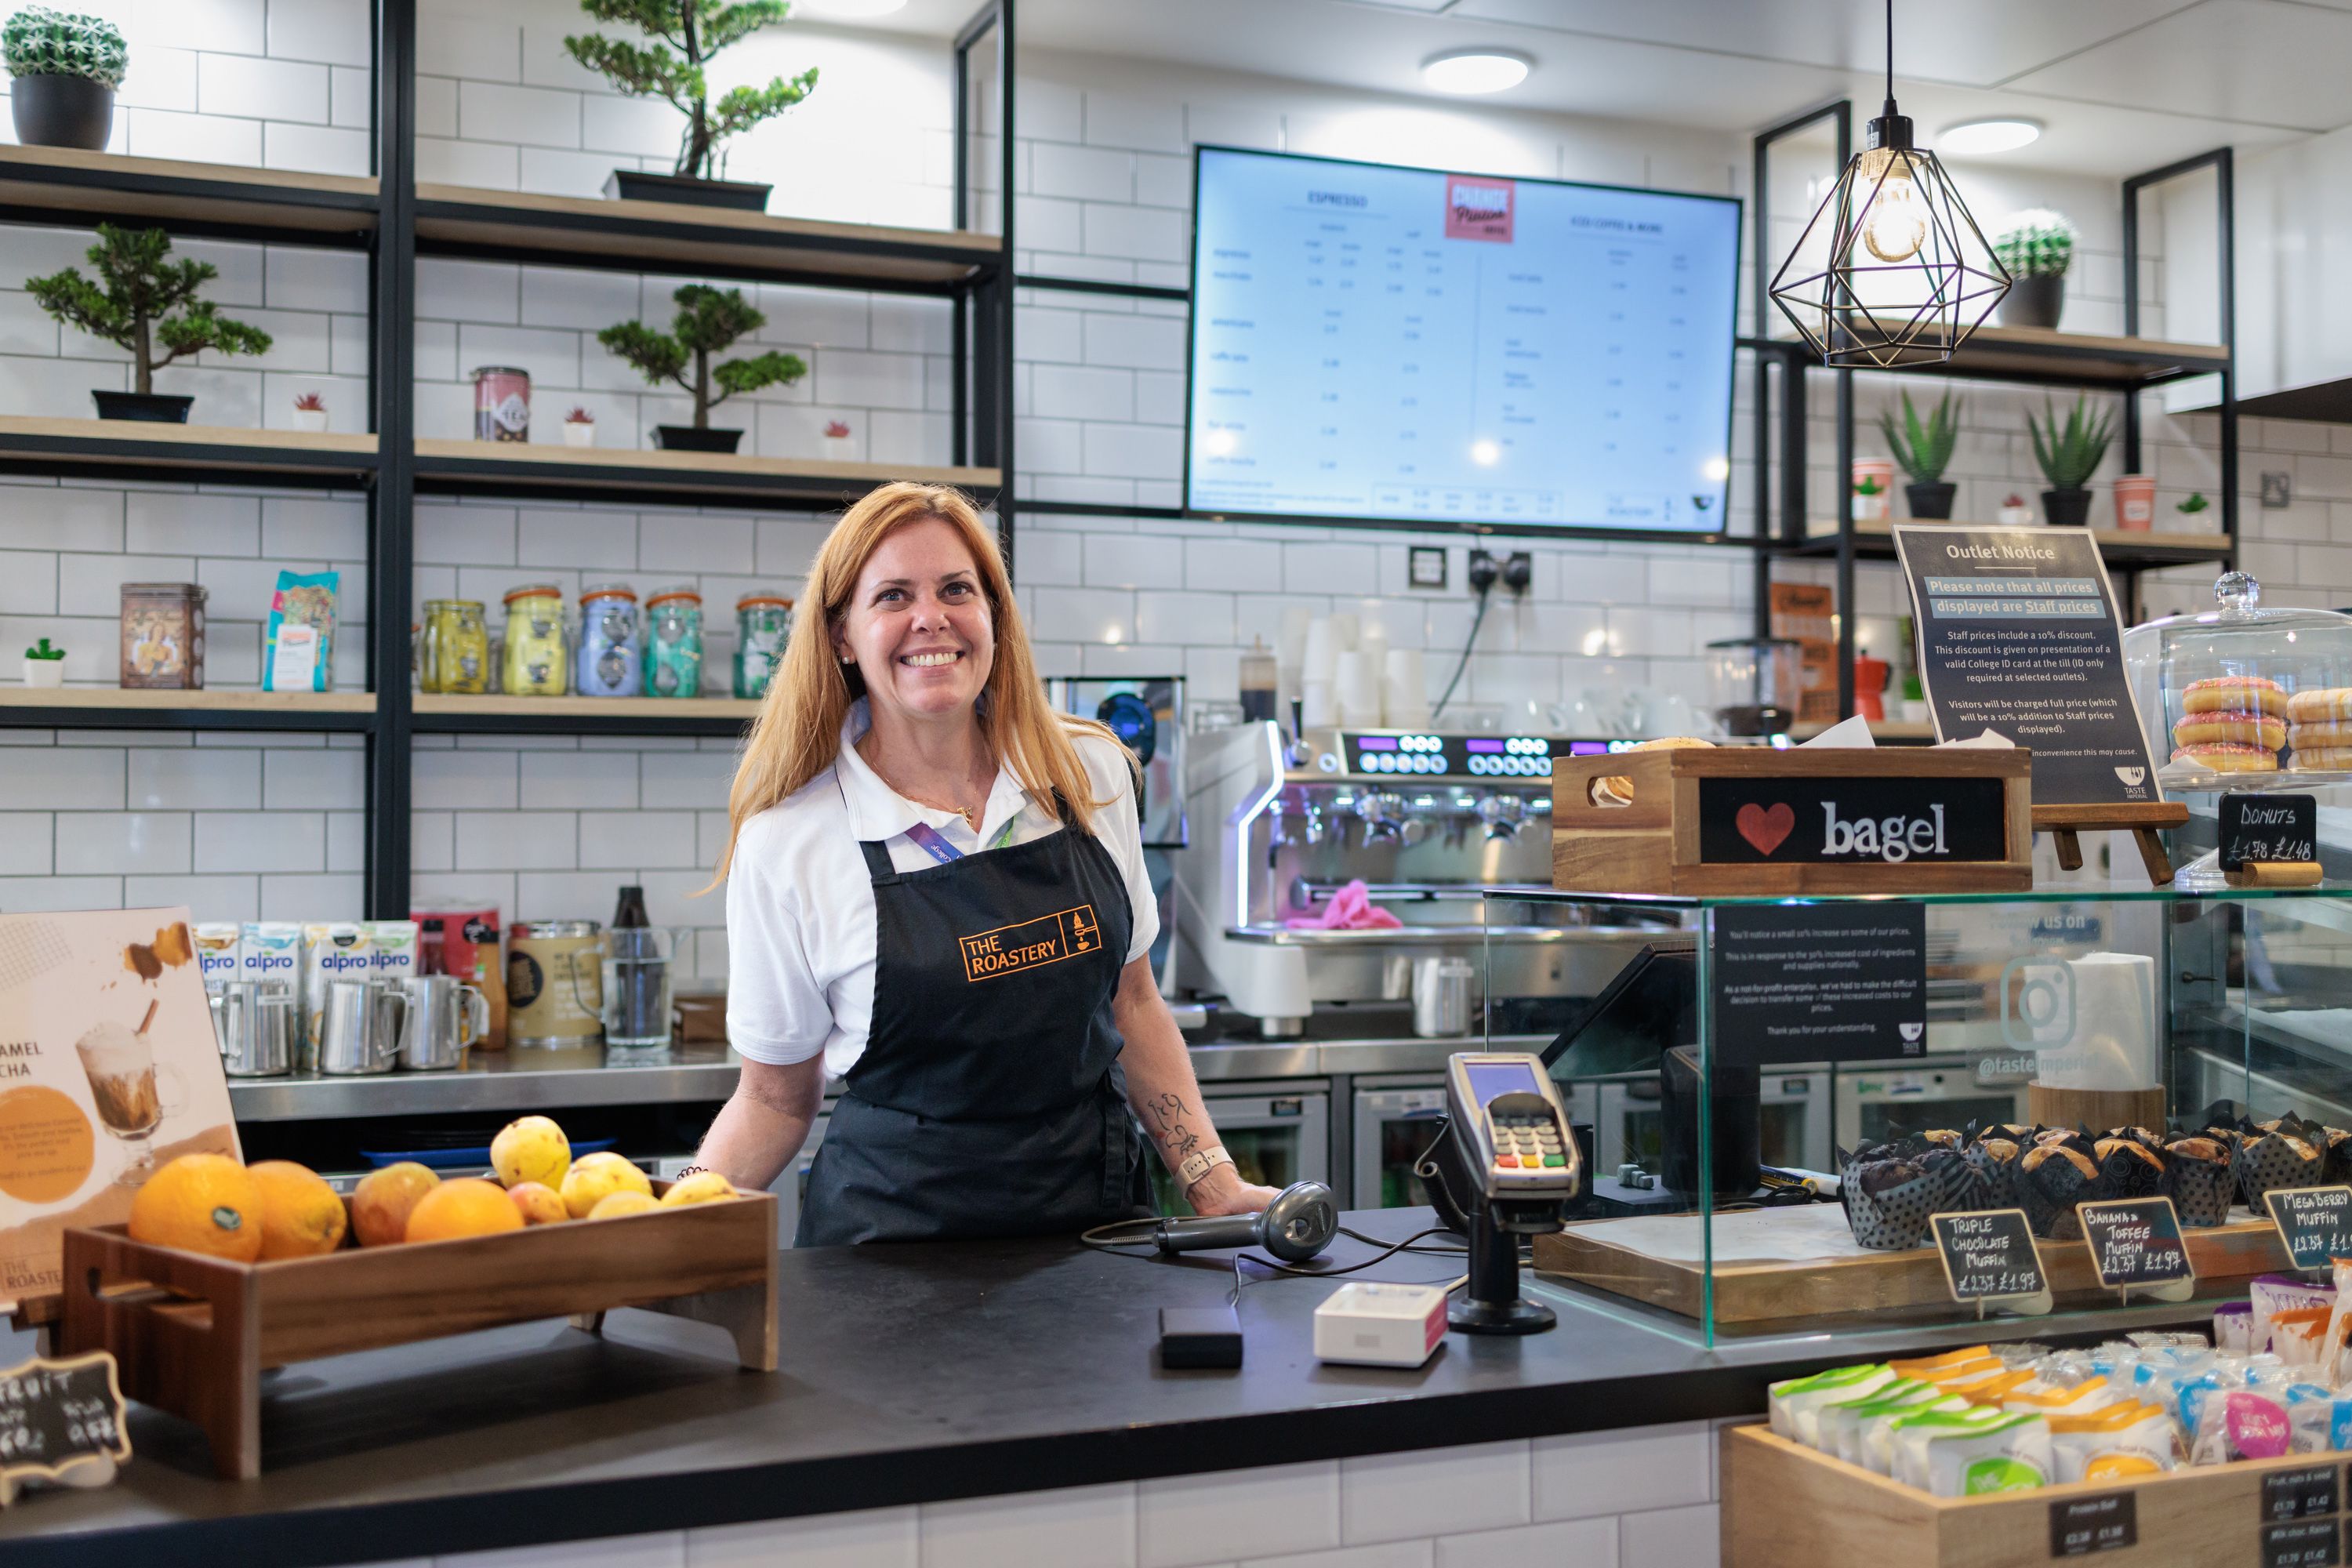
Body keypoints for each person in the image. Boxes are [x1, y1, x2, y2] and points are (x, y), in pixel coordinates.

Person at [695, 481, 1279, 1243]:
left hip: (1098, 1237)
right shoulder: (792, 838)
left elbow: (1133, 1003)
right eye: (894, 594)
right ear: (842, 634)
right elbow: (772, 1098)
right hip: (891, 1256)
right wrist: (667, 1214)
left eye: (956, 589)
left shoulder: (1090, 775)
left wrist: (1212, 1178)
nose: (930, 616)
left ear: (995, 616)